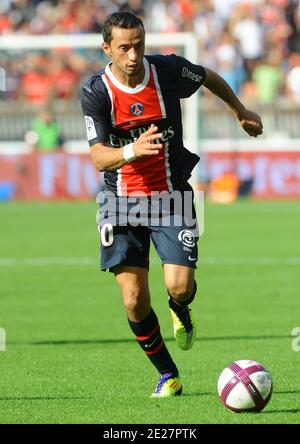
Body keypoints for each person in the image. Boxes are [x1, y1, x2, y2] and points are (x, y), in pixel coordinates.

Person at [80, 11, 263, 398]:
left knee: (179, 286)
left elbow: (208, 75)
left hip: (171, 196)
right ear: (107, 48)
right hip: (120, 202)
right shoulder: (96, 91)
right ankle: (168, 374)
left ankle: (180, 309)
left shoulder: (166, 72)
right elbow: (98, 157)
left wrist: (239, 111)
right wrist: (131, 150)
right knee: (133, 299)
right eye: (124, 47)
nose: (133, 55)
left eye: (139, 45)